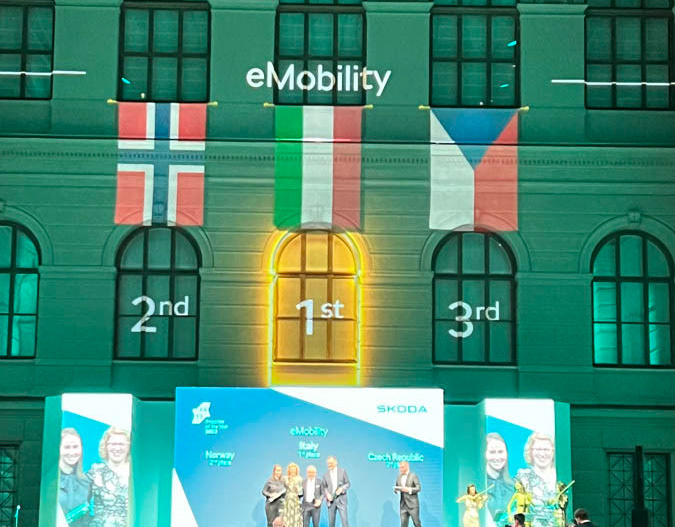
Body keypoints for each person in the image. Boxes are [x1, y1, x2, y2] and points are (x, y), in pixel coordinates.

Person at [87, 427, 131, 527]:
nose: (117, 448)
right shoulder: (96, 471)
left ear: (129, 446)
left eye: (121, 444)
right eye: (113, 444)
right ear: (106, 446)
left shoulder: (136, 474)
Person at [515, 433, 557, 527]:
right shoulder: (523, 477)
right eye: (538, 449)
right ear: (530, 452)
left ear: (553, 451)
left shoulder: (560, 476)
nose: (542, 454)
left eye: (546, 449)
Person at [59, 428, 92, 526]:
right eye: (67, 447)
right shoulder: (49, 483)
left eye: (75, 447)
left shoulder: (87, 482)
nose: (72, 452)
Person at [485, 433, 513, 526]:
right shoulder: (478, 486)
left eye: (500, 452)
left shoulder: (513, 486)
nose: (497, 457)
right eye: (492, 452)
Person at [322, 456, 350, 527]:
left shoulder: (342, 472)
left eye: (331, 463)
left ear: (336, 462)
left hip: (341, 501)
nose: (329, 465)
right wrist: (327, 494)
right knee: (331, 523)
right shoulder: (325, 475)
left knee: (345, 522)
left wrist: (341, 489)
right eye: (328, 463)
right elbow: (324, 487)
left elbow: (348, 483)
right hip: (331, 502)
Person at [394, 460, 422, 527]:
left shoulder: (413, 476)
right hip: (403, 505)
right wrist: (396, 490)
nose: (400, 469)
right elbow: (397, 486)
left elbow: (418, 488)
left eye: (402, 467)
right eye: (400, 467)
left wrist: (409, 489)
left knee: (416, 523)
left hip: (413, 505)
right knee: (403, 525)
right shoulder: (399, 477)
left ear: (407, 466)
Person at [282, 463, 303, 527]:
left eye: (294, 470)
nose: (292, 471)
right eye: (291, 470)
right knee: (287, 516)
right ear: (289, 470)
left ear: (296, 470)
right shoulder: (285, 478)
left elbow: (301, 492)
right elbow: (282, 489)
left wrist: (297, 488)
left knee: (296, 516)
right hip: (287, 500)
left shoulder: (299, 479)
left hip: (296, 500)